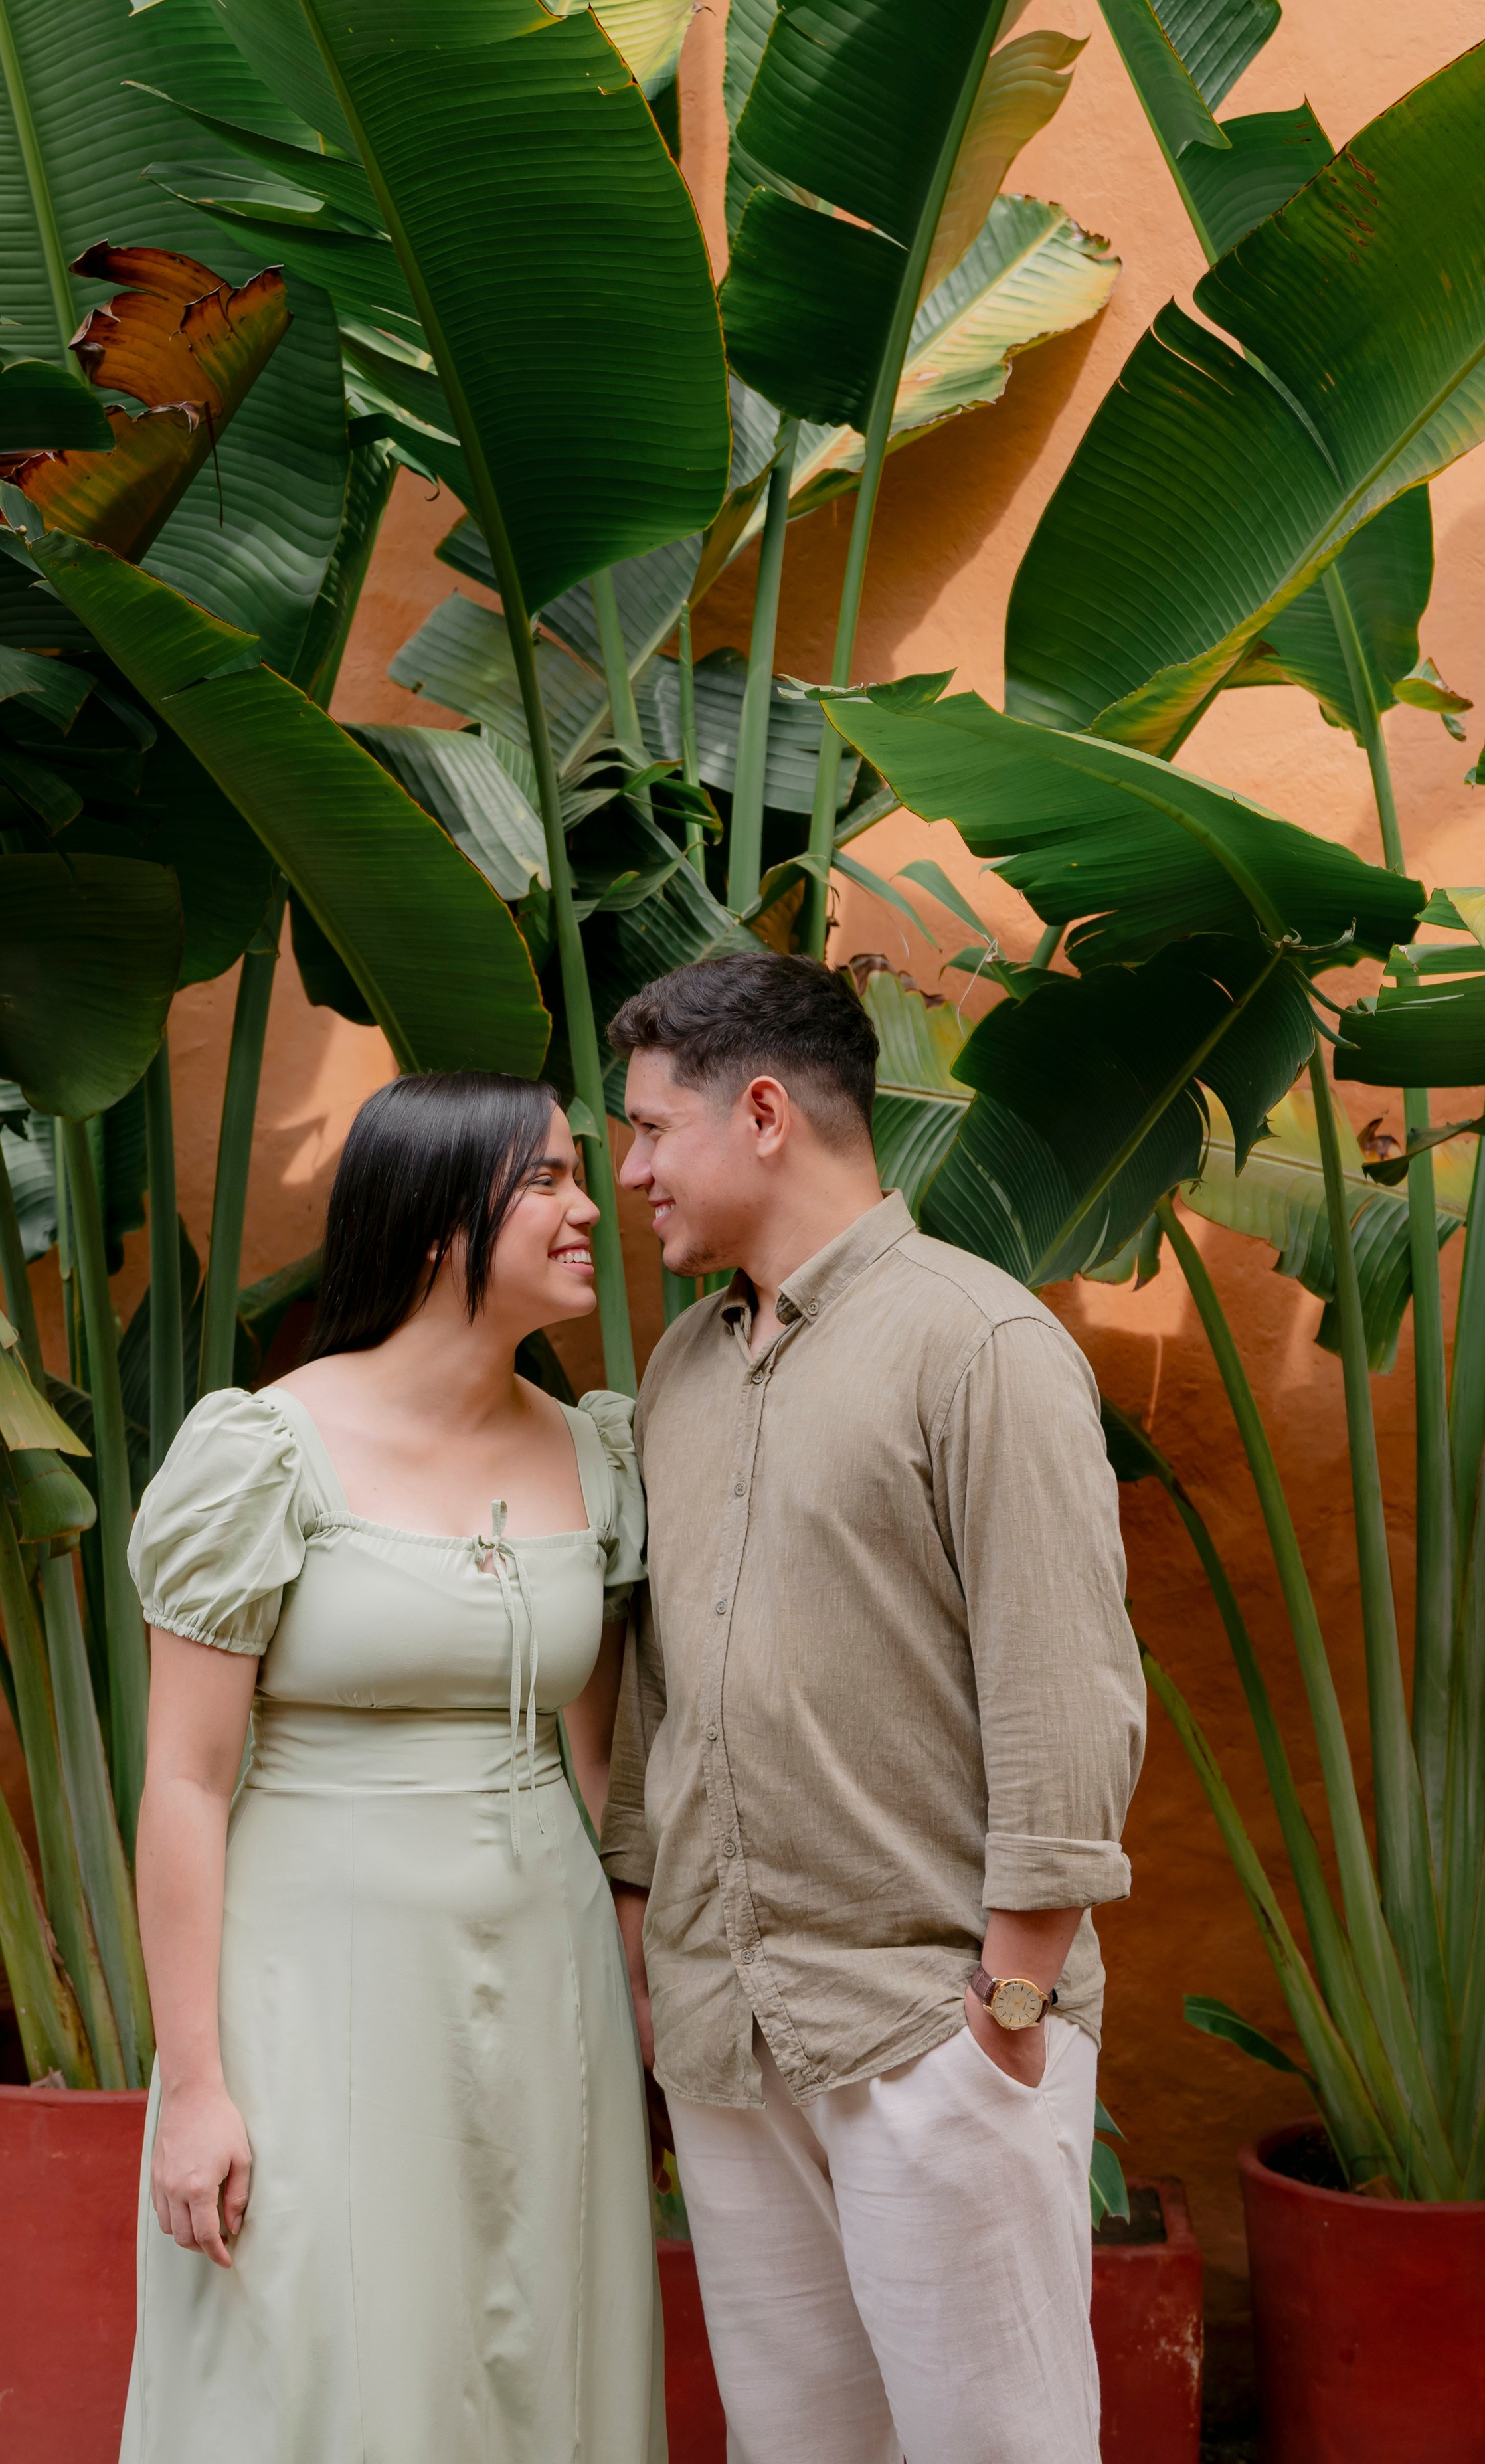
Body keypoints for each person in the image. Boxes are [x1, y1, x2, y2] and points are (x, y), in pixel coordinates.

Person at [598, 953, 1146, 2464]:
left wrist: (1006, 2009)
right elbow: (658, 1673)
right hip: (727, 2035)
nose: (628, 1171)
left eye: (650, 1128)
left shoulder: (979, 1345)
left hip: (929, 2031)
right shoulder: (682, 1366)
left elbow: (1067, 1692)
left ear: (761, 1112)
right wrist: (653, 1957)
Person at [121, 1071, 664, 2464]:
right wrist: (192, 2085)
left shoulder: (593, 1452)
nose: (585, 1207)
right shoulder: (262, 1453)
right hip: (316, 1967)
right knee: (313, 2341)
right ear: (434, 1221)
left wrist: (645, 1999)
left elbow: (598, 1762)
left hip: (545, 1979)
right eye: (542, 1180)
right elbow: (183, 1780)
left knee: (538, 2332)